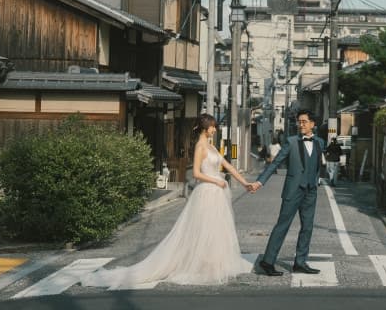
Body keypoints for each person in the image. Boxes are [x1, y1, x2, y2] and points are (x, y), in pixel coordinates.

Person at [83, 113, 253, 288]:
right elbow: (196, 173)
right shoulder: (200, 147)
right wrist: (216, 180)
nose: (215, 129)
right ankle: (198, 265)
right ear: (205, 127)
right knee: (202, 229)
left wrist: (246, 183)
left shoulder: (212, 147)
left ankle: (210, 265)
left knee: (215, 230)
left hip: (217, 194)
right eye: (213, 126)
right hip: (207, 193)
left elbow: (228, 166)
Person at [249, 110, 324, 276]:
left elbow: (317, 165)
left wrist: (316, 181)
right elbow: (275, 163)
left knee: (308, 227)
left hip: (310, 191)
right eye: (299, 122)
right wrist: (260, 182)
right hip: (293, 190)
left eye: (304, 122)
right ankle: (267, 262)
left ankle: (300, 262)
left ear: (313, 124)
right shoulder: (290, 142)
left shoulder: (320, 142)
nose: (300, 124)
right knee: (283, 225)